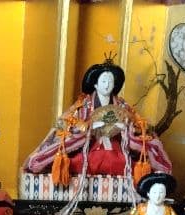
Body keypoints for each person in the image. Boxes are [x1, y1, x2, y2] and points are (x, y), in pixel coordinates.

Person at [23, 58, 171, 186]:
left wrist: (125, 127)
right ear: (95, 84)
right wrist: (88, 126)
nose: (107, 85)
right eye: (103, 81)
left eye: (110, 81)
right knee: (80, 162)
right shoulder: (84, 104)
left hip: (115, 147)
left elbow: (140, 126)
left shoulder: (122, 105)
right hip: (90, 147)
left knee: (122, 163)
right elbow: (63, 123)